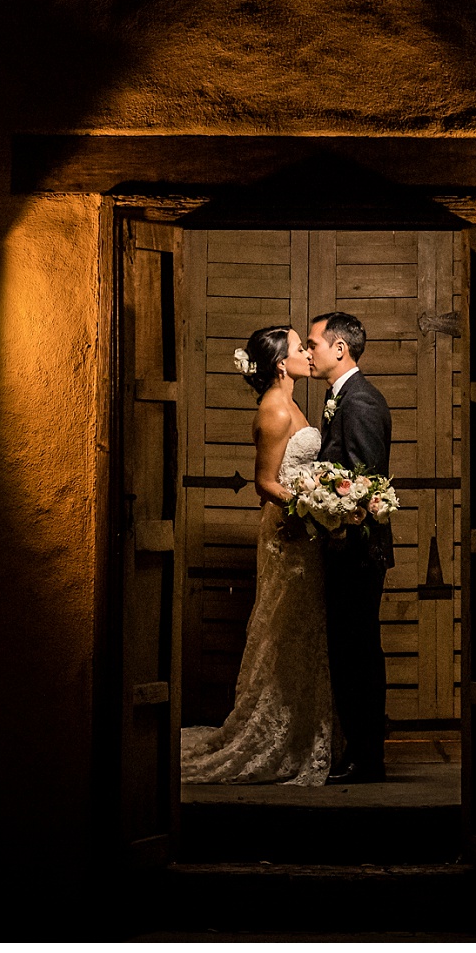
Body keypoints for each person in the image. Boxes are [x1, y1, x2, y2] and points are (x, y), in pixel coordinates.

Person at [180, 324, 344, 785]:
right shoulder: (274, 409)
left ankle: (307, 727)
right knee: (284, 628)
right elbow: (265, 482)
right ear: (279, 363)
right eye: (299, 348)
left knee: (304, 628)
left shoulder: (293, 402)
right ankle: (276, 733)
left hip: (305, 533)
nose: (308, 354)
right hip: (289, 534)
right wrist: (311, 507)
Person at [306, 309, 391, 784]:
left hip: (356, 553)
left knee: (357, 654)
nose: (309, 352)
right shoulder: (341, 397)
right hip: (345, 551)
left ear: (340, 348)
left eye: (314, 343)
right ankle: (359, 751)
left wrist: (331, 520)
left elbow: (363, 489)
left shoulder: (359, 403)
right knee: (350, 651)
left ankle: (366, 758)